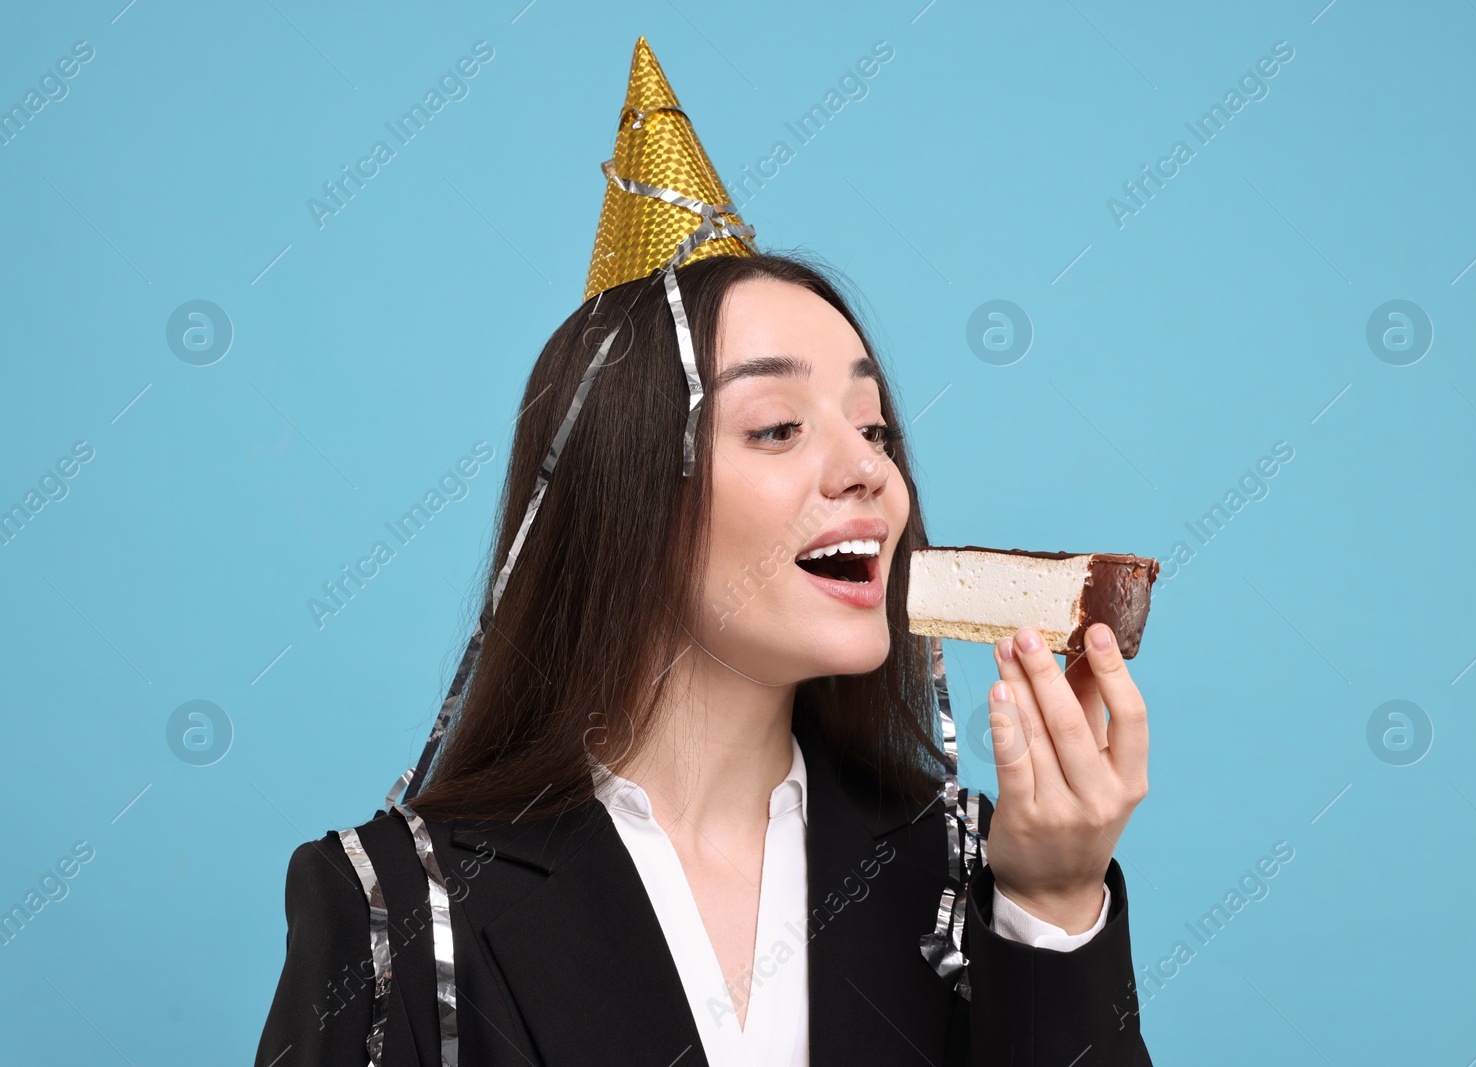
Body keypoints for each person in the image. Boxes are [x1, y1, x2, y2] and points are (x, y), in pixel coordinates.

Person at [254, 39, 1153, 1067]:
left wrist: (1052, 902)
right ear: (626, 492)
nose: (868, 471)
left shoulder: (966, 870)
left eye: (875, 428)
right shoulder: (395, 906)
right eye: (776, 426)